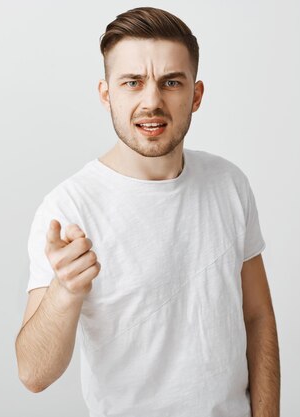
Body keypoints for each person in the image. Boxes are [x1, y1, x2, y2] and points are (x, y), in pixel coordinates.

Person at [14, 6, 280, 417]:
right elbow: (33, 374)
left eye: (170, 82)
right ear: (107, 95)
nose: (151, 101)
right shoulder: (68, 208)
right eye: (132, 83)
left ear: (196, 94)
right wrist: (64, 292)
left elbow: (258, 317)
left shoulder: (230, 184)